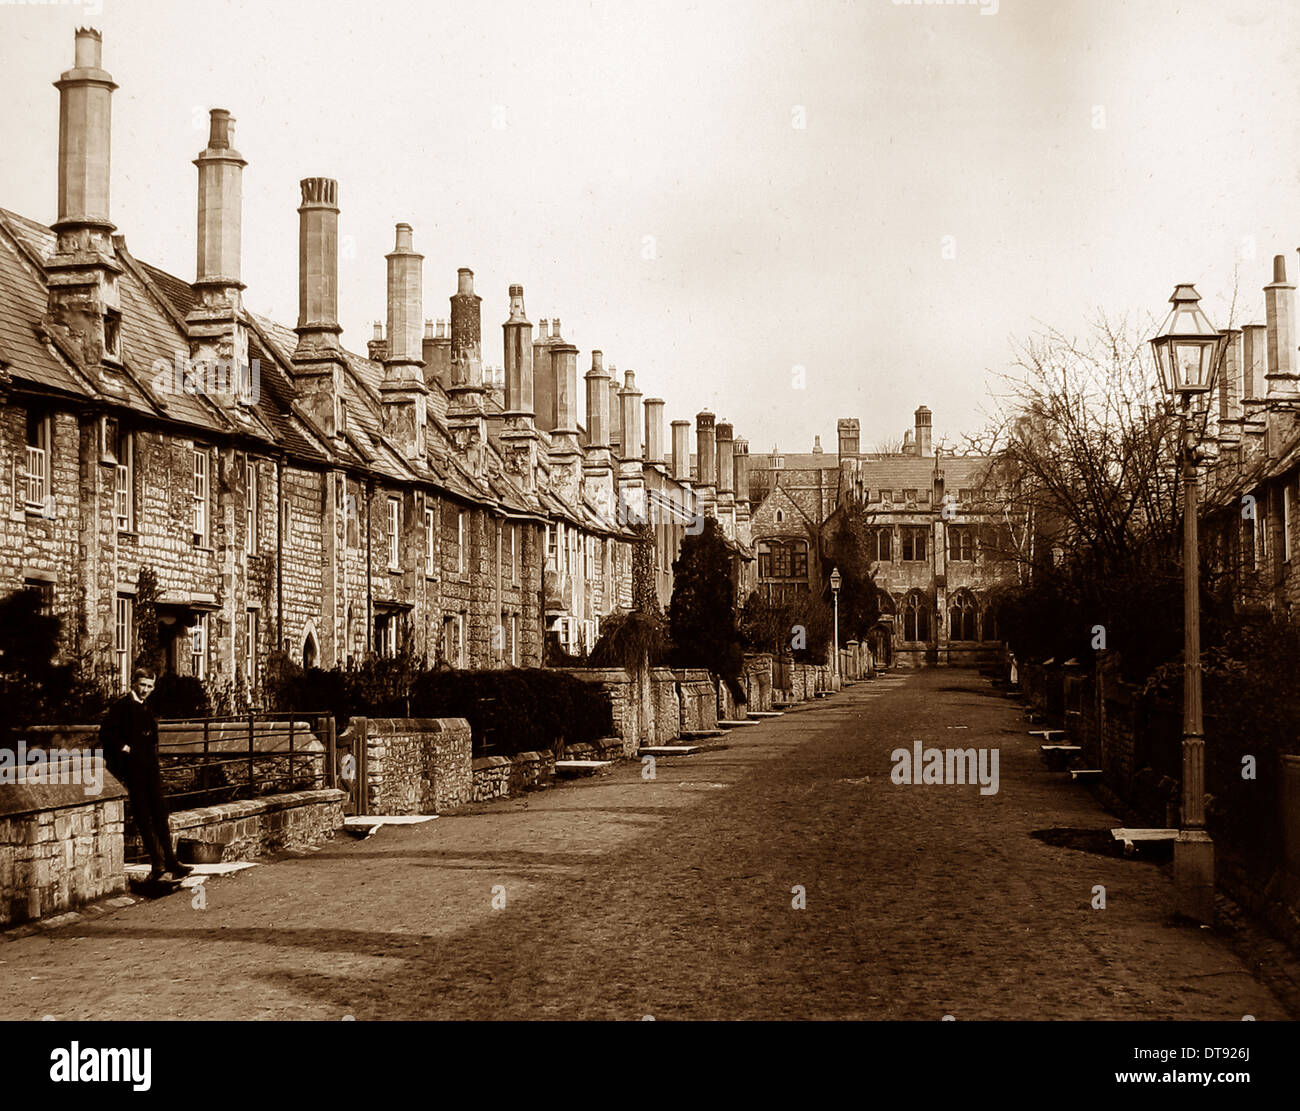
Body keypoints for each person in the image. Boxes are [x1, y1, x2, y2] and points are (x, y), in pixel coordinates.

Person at [99, 668, 191, 883]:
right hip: (133, 769)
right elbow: (106, 733)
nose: (146, 690)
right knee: (142, 814)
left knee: (160, 813)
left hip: (150, 768)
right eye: (142, 685)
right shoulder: (121, 706)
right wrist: (125, 748)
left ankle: (171, 860)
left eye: (150, 686)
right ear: (133, 683)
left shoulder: (147, 706)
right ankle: (157, 862)